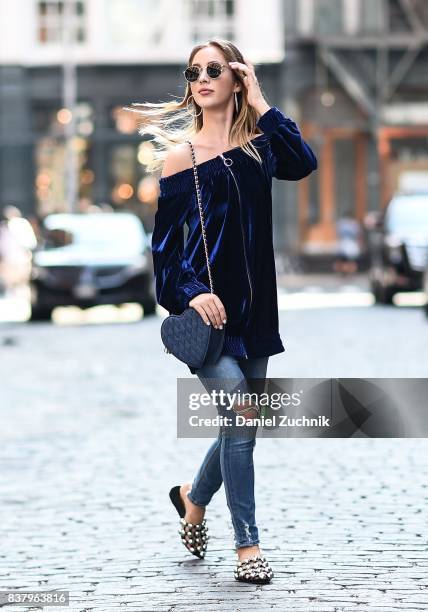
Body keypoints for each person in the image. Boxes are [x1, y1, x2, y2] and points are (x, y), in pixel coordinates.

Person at [125, 38, 317, 584]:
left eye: (215, 69)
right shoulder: (181, 155)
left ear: (236, 77)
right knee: (241, 416)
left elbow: (304, 164)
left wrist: (260, 99)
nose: (202, 78)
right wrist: (190, 294)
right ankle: (248, 546)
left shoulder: (261, 145)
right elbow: (163, 249)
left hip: (256, 315)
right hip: (209, 319)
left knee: (242, 427)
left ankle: (191, 497)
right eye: (194, 71)